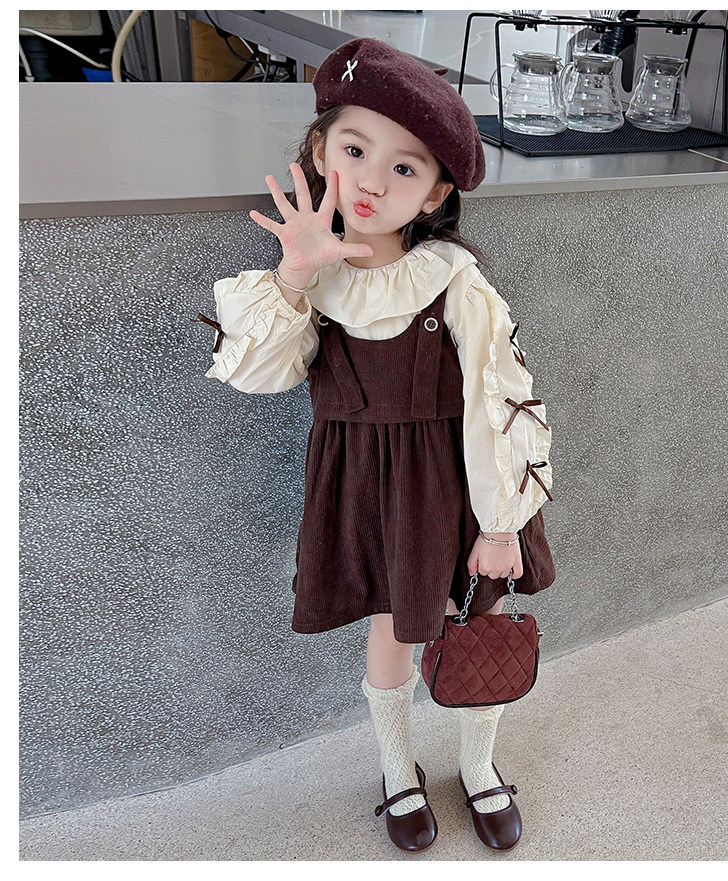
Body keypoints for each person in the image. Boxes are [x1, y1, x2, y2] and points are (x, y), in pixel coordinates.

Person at [197, 37, 553, 854]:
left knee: (482, 617)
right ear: (320, 147)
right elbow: (257, 372)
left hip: (465, 482)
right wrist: (294, 274)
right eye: (355, 150)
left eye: (405, 167)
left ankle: (479, 763)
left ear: (435, 193)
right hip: (368, 487)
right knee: (393, 627)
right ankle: (398, 767)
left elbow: (498, 397)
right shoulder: (310, 277)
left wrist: (501, 523)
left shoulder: (453, 280)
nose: (371, 181)